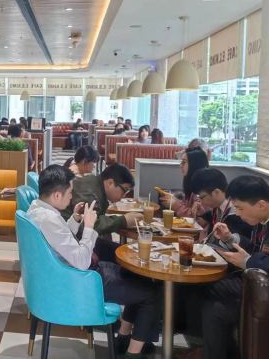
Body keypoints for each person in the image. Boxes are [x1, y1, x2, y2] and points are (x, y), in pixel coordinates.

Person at [27, 165, 160, 358]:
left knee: (137, 275)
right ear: (56, 195)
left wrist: (75, 218)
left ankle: (124, 338)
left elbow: (60, 239)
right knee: (151, 293)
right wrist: (89, 227)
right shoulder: (49, 219)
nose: (72, 198)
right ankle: (132, 353)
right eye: (70, 193)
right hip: (79, 282)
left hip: (66, 275)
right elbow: (81, 261)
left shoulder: (37, 210)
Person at [190, 176, 269, 359]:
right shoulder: (264, 216)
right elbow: (257, 248)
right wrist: (230, 239)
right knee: (212, 307)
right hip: (250, 281)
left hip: (267, 292)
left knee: (204, 286)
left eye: (240, 209)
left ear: (261, 205)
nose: (238, 214)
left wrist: (248, 262)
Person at [65, 163, 143, 236]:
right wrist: (123, 220)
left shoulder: (95, 183)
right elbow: (86, 227)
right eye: (124, 190)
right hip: (67, 238)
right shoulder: (89, 192)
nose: (124, 196)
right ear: (110, 183)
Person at [190, 168, 252, 240]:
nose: (201, 202)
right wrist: (202, 214)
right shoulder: (218, 206)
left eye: (202, 197)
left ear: (216, 192)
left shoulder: (236, 213)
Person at [159, 147, 209, 218]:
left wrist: (175, 205)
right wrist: (174, 200)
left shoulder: (204, 189)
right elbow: (188, 206)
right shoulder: (191, 183)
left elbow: (196, 217)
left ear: (194, 164)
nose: (180, 165)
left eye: (184, 162)